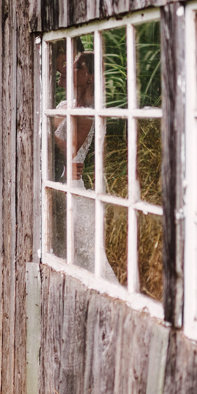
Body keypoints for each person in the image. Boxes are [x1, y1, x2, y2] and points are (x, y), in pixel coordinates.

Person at [52, 52, 118, 282]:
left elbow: (65, 150)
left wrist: (43, 121)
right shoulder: (64, 105)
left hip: (73, 196)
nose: (71, 68)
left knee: (87, 265)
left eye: (78, 66)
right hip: (59, 186)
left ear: (90, 77)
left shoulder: (88, 113)